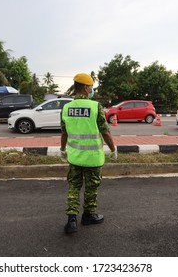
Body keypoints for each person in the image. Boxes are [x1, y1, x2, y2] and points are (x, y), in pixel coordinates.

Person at [60, 73, 117, 234]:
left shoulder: (66, 108)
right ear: (85, 87)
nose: (92, 89)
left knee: (73, 187)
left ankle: (71, 221)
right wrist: (113, 149)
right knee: (91, 188)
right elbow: (105, 132)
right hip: (93, 159)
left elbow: (64, 133)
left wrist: (62, 149)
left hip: (75, 157)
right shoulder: (95, 107)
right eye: (91, 87)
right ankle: (88, 216)